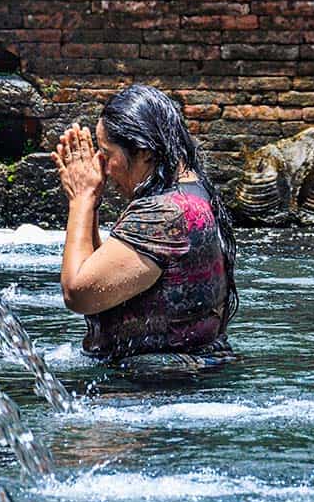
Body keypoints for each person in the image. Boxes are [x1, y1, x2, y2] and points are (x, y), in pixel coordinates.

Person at [50, 84, 238, 376]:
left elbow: (80, 294)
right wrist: (94, 207)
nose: (103, 167)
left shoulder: (164, 215)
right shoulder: (192, 194)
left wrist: (81, 198)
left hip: (155, 387)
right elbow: (105, 280)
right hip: (187, 375)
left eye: (106, 153)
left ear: (144, 153)